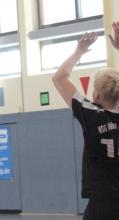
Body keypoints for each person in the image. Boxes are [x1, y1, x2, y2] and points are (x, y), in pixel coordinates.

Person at [52, 31, 119, 220]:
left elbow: (60, 78)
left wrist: (78, 52)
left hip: (101, 204)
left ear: (96, 95)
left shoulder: (91, 115)